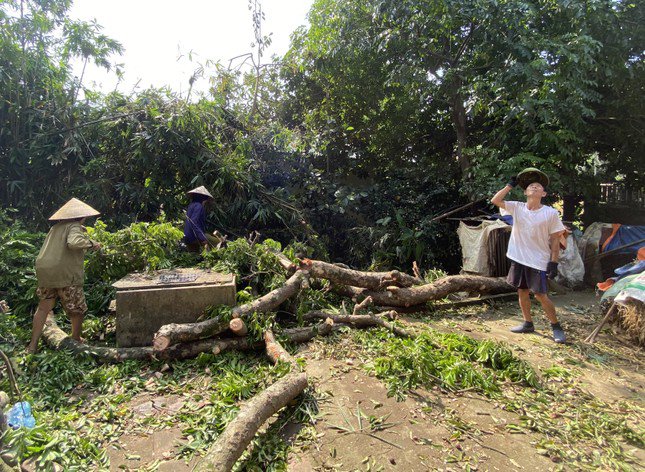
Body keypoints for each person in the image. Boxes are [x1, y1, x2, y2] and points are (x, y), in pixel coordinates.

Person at [491, 168, 567, 343]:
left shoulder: (550, 213)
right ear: (525, 192)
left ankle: (556, 326)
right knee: (522, 291)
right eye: (531, 185)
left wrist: (553, 263)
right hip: (518, 258)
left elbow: (555, 241)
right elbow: (495, 200)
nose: (534, 187)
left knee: (540, 295)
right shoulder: (517, 207)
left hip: (538, 260)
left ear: (544, 193)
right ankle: (527, 323)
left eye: (538, 186)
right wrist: (510, 185)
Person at [27, 198, 102, 353]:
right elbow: (73, 243)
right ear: (82, 217)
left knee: (43, 308)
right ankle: (75, 338)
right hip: (65, 273)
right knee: (77, 309)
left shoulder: (56, 228)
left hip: (46, 271)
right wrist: (91, 244)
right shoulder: (75, 226)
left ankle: (32, 346)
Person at [183, 186, 223, 252]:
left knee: (194, 256)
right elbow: (194, 223)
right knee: (217, 242)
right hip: (193, 236)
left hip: (187, 235)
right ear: (203, 199)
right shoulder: (199, 206)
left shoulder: (191, 205)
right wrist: (202, 238)